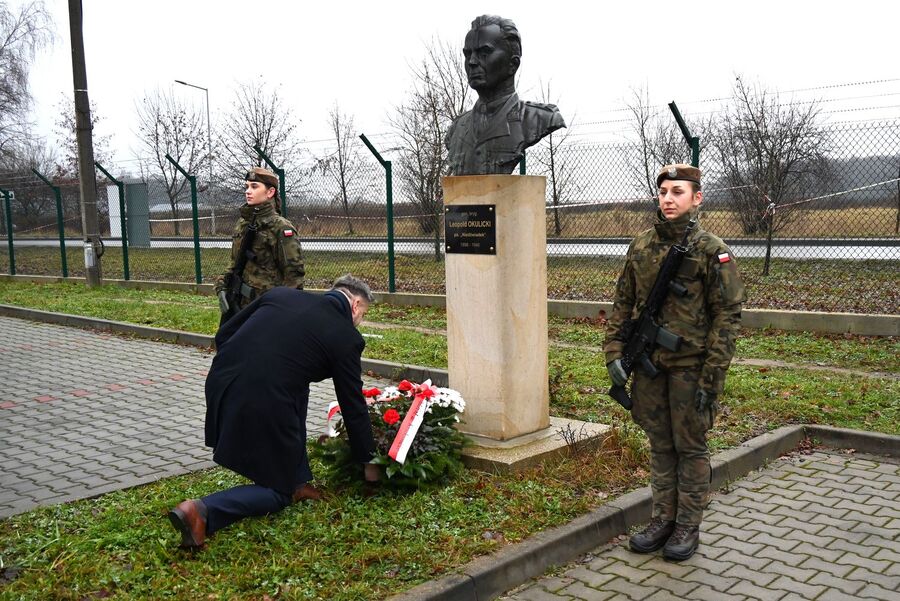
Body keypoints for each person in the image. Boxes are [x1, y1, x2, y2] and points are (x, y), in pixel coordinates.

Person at [168, 275, 380, 548]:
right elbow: (353, 405)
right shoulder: (345, 336)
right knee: (277, 493)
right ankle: (202, 511)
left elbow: (224, 334)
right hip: (261, 399)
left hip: (221, 380)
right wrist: (369, 463)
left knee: (298, 390)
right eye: (362, 314)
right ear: (355, 304)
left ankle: (299, 481)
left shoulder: (281, 295)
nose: (360, 321)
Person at [604, 164, 746, 561]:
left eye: (678, 191)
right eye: (663, 191)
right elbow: (622, 304)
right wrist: (615, 352)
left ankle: (688, 525)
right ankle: (662, 519)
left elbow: (727, 317)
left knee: (690, 447)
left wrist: (712, 378)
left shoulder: (711, 250)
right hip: (650, 366)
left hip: (691, 367)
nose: (668, 198)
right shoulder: (641, 246)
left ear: (696, 198)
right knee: (660, 445)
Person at [445, 14, 565, 175]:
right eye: (468, 54)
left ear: (512, 64)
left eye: (484, 53)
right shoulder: (456, 130)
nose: (472, 62)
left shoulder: (540, 119)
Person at [214, 167, 305, 325]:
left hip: (266, 310)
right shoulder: (243, 224)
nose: (248, 191)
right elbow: (234, 263)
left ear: (270, 192)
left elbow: (294, 278)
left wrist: (280, 312)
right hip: (239, 304)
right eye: (247, 187)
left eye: (254, 186)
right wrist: (222, 285)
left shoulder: (281, 228)